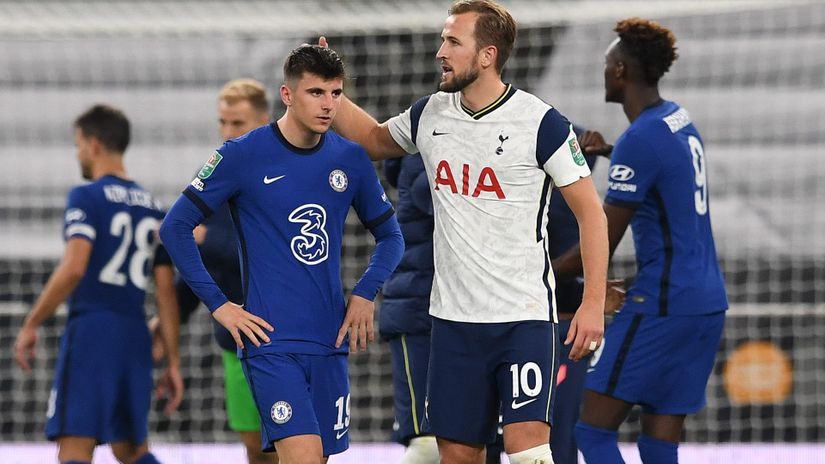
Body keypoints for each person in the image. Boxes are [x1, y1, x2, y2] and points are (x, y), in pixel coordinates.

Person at [325, 1, 610, 462]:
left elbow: (591, 215)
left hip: (524, 317)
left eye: (453, 41)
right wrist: (331, 91)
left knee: (528, 453)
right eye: (443, 39)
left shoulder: (540, 122)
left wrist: (592, 304)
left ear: (487, 55)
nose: (441, 51)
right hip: (452, 323)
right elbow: (375, 139)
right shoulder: (430, 115)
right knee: (456, 455)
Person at [159, 45, 404, 464]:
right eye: (316, 93)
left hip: (329, 341)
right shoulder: (241, 155)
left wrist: (365, 293)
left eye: (335, 93)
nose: (328, 105)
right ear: (287, 95)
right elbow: (174, 228)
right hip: (270, 342)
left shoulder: (350, 158)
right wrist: (220, 306)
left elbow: (391, 235)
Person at [552, 18, 729, 464]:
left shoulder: (640, 140)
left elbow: (600, 243)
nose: (605, 69)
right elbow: (663, 172)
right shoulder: (677, 120)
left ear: (620, 71)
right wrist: (615, 151)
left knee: (591, 432)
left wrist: (540, 273)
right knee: (657, 442)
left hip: (661, 305)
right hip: (705, 304)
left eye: (608, 62)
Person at [13, 104, 183, 464]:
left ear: (93, 144)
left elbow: (74, 268)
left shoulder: (86, 196)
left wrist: (31, 323)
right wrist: (173, 362)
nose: (78, 153)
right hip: (134, 334)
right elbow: (166, 294)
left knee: (75, 446)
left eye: (77, 144)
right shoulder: (155, 209)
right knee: (131, 449)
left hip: (92, 329)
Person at [156, 78, 278, 464]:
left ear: (264, 121)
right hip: (235, 341)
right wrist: (167, 318)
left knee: (294, 448)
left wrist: (206, 241)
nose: (227, 132)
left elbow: (271, 256)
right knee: (254, 450)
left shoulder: (283, 175)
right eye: (222, 122)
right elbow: (202, 263)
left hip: (285, 339)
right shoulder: (213, 176)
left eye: (237, 123)